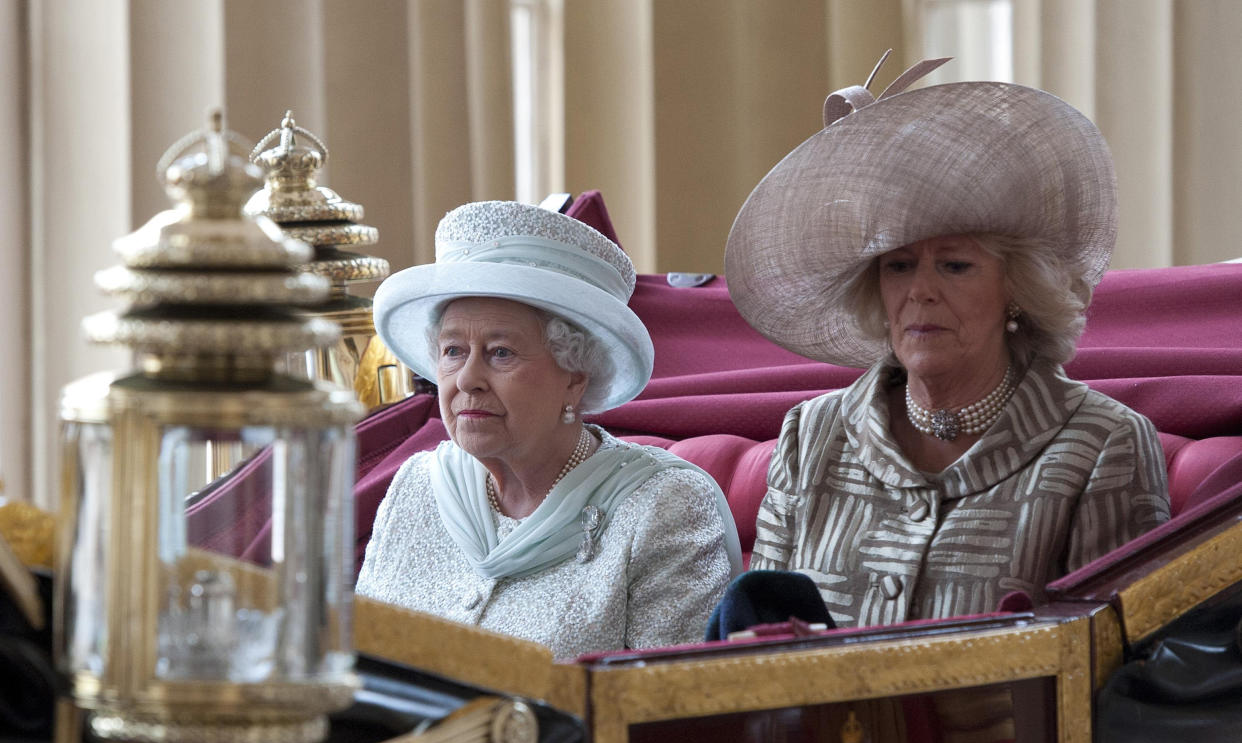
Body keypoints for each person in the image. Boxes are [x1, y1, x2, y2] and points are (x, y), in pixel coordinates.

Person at [723, 56, 1170, 629]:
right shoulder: (812, 436)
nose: (921, 292)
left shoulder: (1103, 445)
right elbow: (757, 643)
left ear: (1016, 288)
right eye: (899, 266)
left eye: (955, 266)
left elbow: (1109, 664)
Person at [358, 200, 740, 660]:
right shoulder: (414, 487)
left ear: (576, 375)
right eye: (453, 350)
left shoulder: (662, 508)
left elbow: (669, 713)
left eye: (500, 353)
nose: (467, 380)